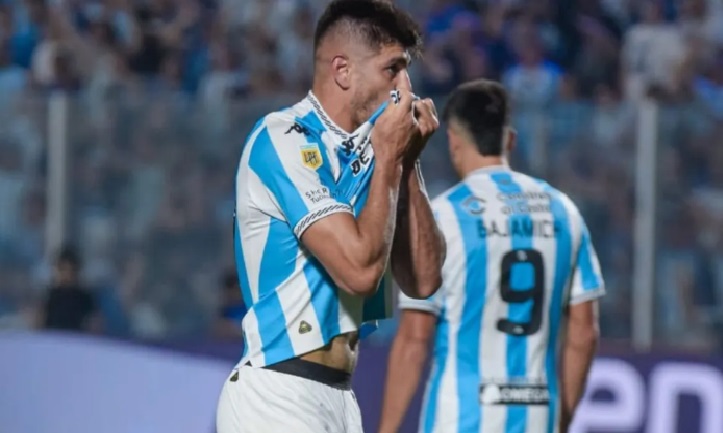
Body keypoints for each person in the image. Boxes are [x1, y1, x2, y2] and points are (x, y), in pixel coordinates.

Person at [215, 1, 445, 432]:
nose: (406, 88)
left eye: (407, 70)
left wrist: (407, 160)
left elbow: (424, 280)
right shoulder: (281, 138)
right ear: (343, 70)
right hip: (278, 392)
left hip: (340, 396)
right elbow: (360, 274)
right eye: (392, 69)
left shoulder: (379, 149)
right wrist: (389, 157)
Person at [378, 80, 605, 433]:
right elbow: (584, 332)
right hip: (536, 418)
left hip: (462, 418)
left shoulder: (442, 217)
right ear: (509, 140)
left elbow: (415, 338)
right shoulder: (563, 211)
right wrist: (560, 421)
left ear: (453, 140)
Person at [39, 245, 103, 333]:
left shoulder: (85, 298)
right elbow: (40, 324)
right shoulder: (49, 296)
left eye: (69, 270)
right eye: (62, 269)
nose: (65, 275)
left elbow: (95, 324)